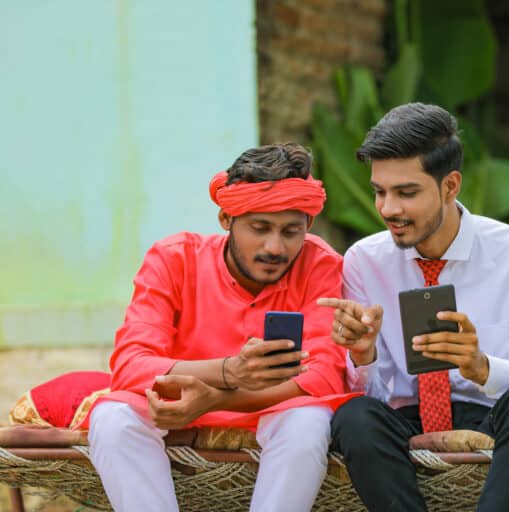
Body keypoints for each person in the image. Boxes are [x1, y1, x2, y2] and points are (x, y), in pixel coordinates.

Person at [318, 103, 509, 511]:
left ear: (450, 186)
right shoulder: (364, 261)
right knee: (355, 417)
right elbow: (371, 395)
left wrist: (483, 368)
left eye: (406, 193)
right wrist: (363, 354)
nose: (388, 209)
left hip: (496, 418)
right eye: (379, 192)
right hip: (404, 422)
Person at [85, 143, 355, 512]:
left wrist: (219, 397)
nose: (275, 247)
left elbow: (323, 379)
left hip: (273, 408)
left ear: (308, 225)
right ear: (226, 220)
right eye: (259, 228)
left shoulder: (321, 264)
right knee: (112, 419)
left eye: (291, 231)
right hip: (175, 404)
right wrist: (229, 371)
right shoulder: (174, 257)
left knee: (308, 422)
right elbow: (130, 365)